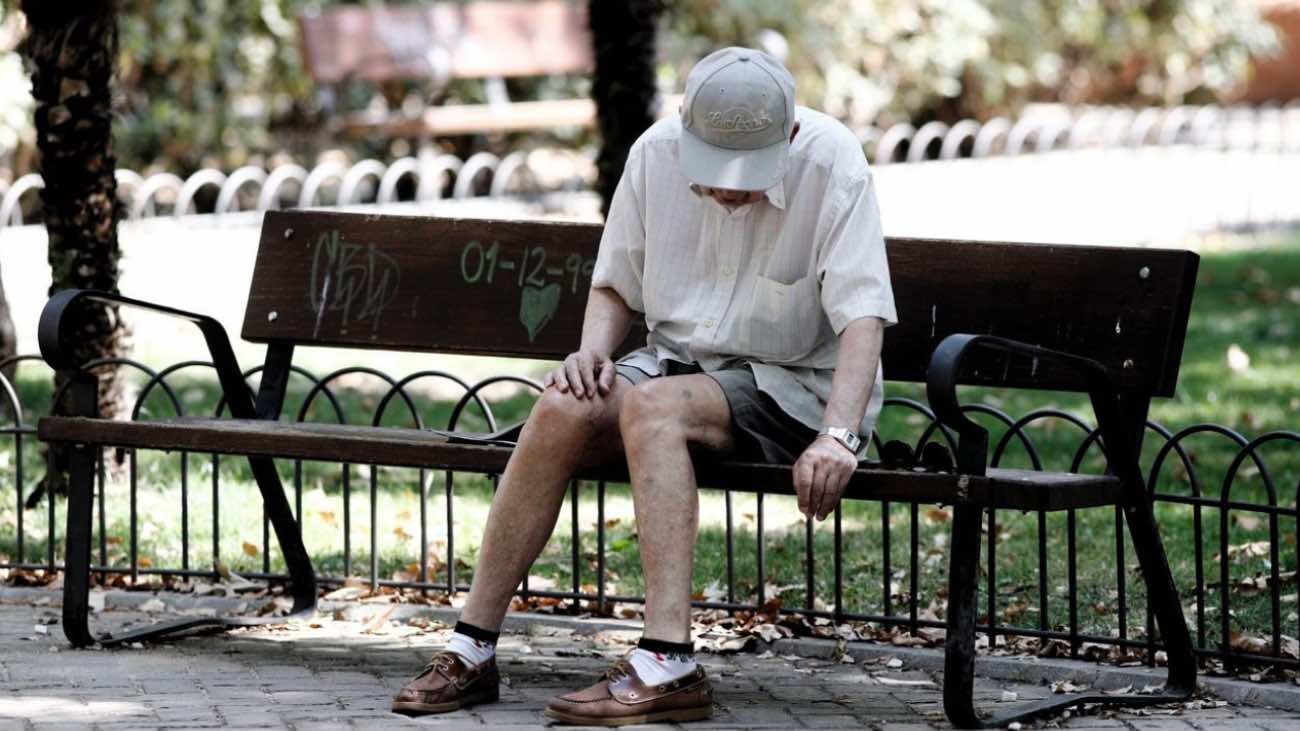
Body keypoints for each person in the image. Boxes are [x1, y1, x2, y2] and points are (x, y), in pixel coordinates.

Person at [391, 46, 896, 726]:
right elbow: (614, 284)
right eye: (715, 170)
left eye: (746, 176)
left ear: (792, 136)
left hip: (795, 386)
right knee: (562, 404)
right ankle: (470, 648)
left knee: (656, 408)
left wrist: (839, 436)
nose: (727, 190)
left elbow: (863, 313)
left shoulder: (831, 161)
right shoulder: (655, 152)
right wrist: (591, 354)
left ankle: (667, 661)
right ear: (686, 130)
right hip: (677, 365)